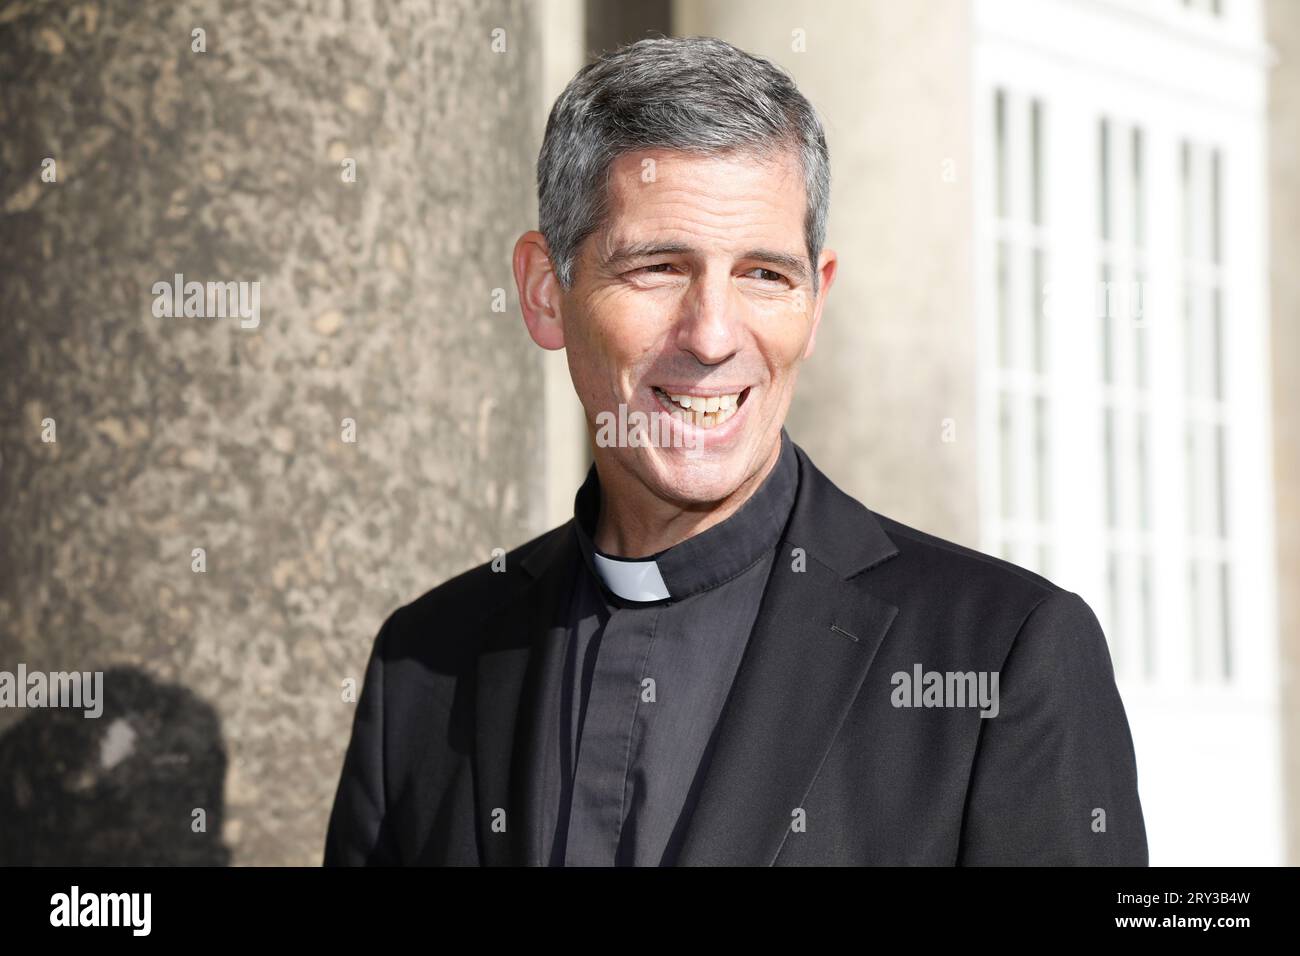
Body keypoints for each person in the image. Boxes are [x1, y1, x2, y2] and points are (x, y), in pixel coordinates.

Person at [323, 35, 1147, 866]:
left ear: (816, 301)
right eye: (658, 266)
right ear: (546, 293)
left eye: (764, 275)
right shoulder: (423, 667)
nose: (712, 336)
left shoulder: (1002, 657)